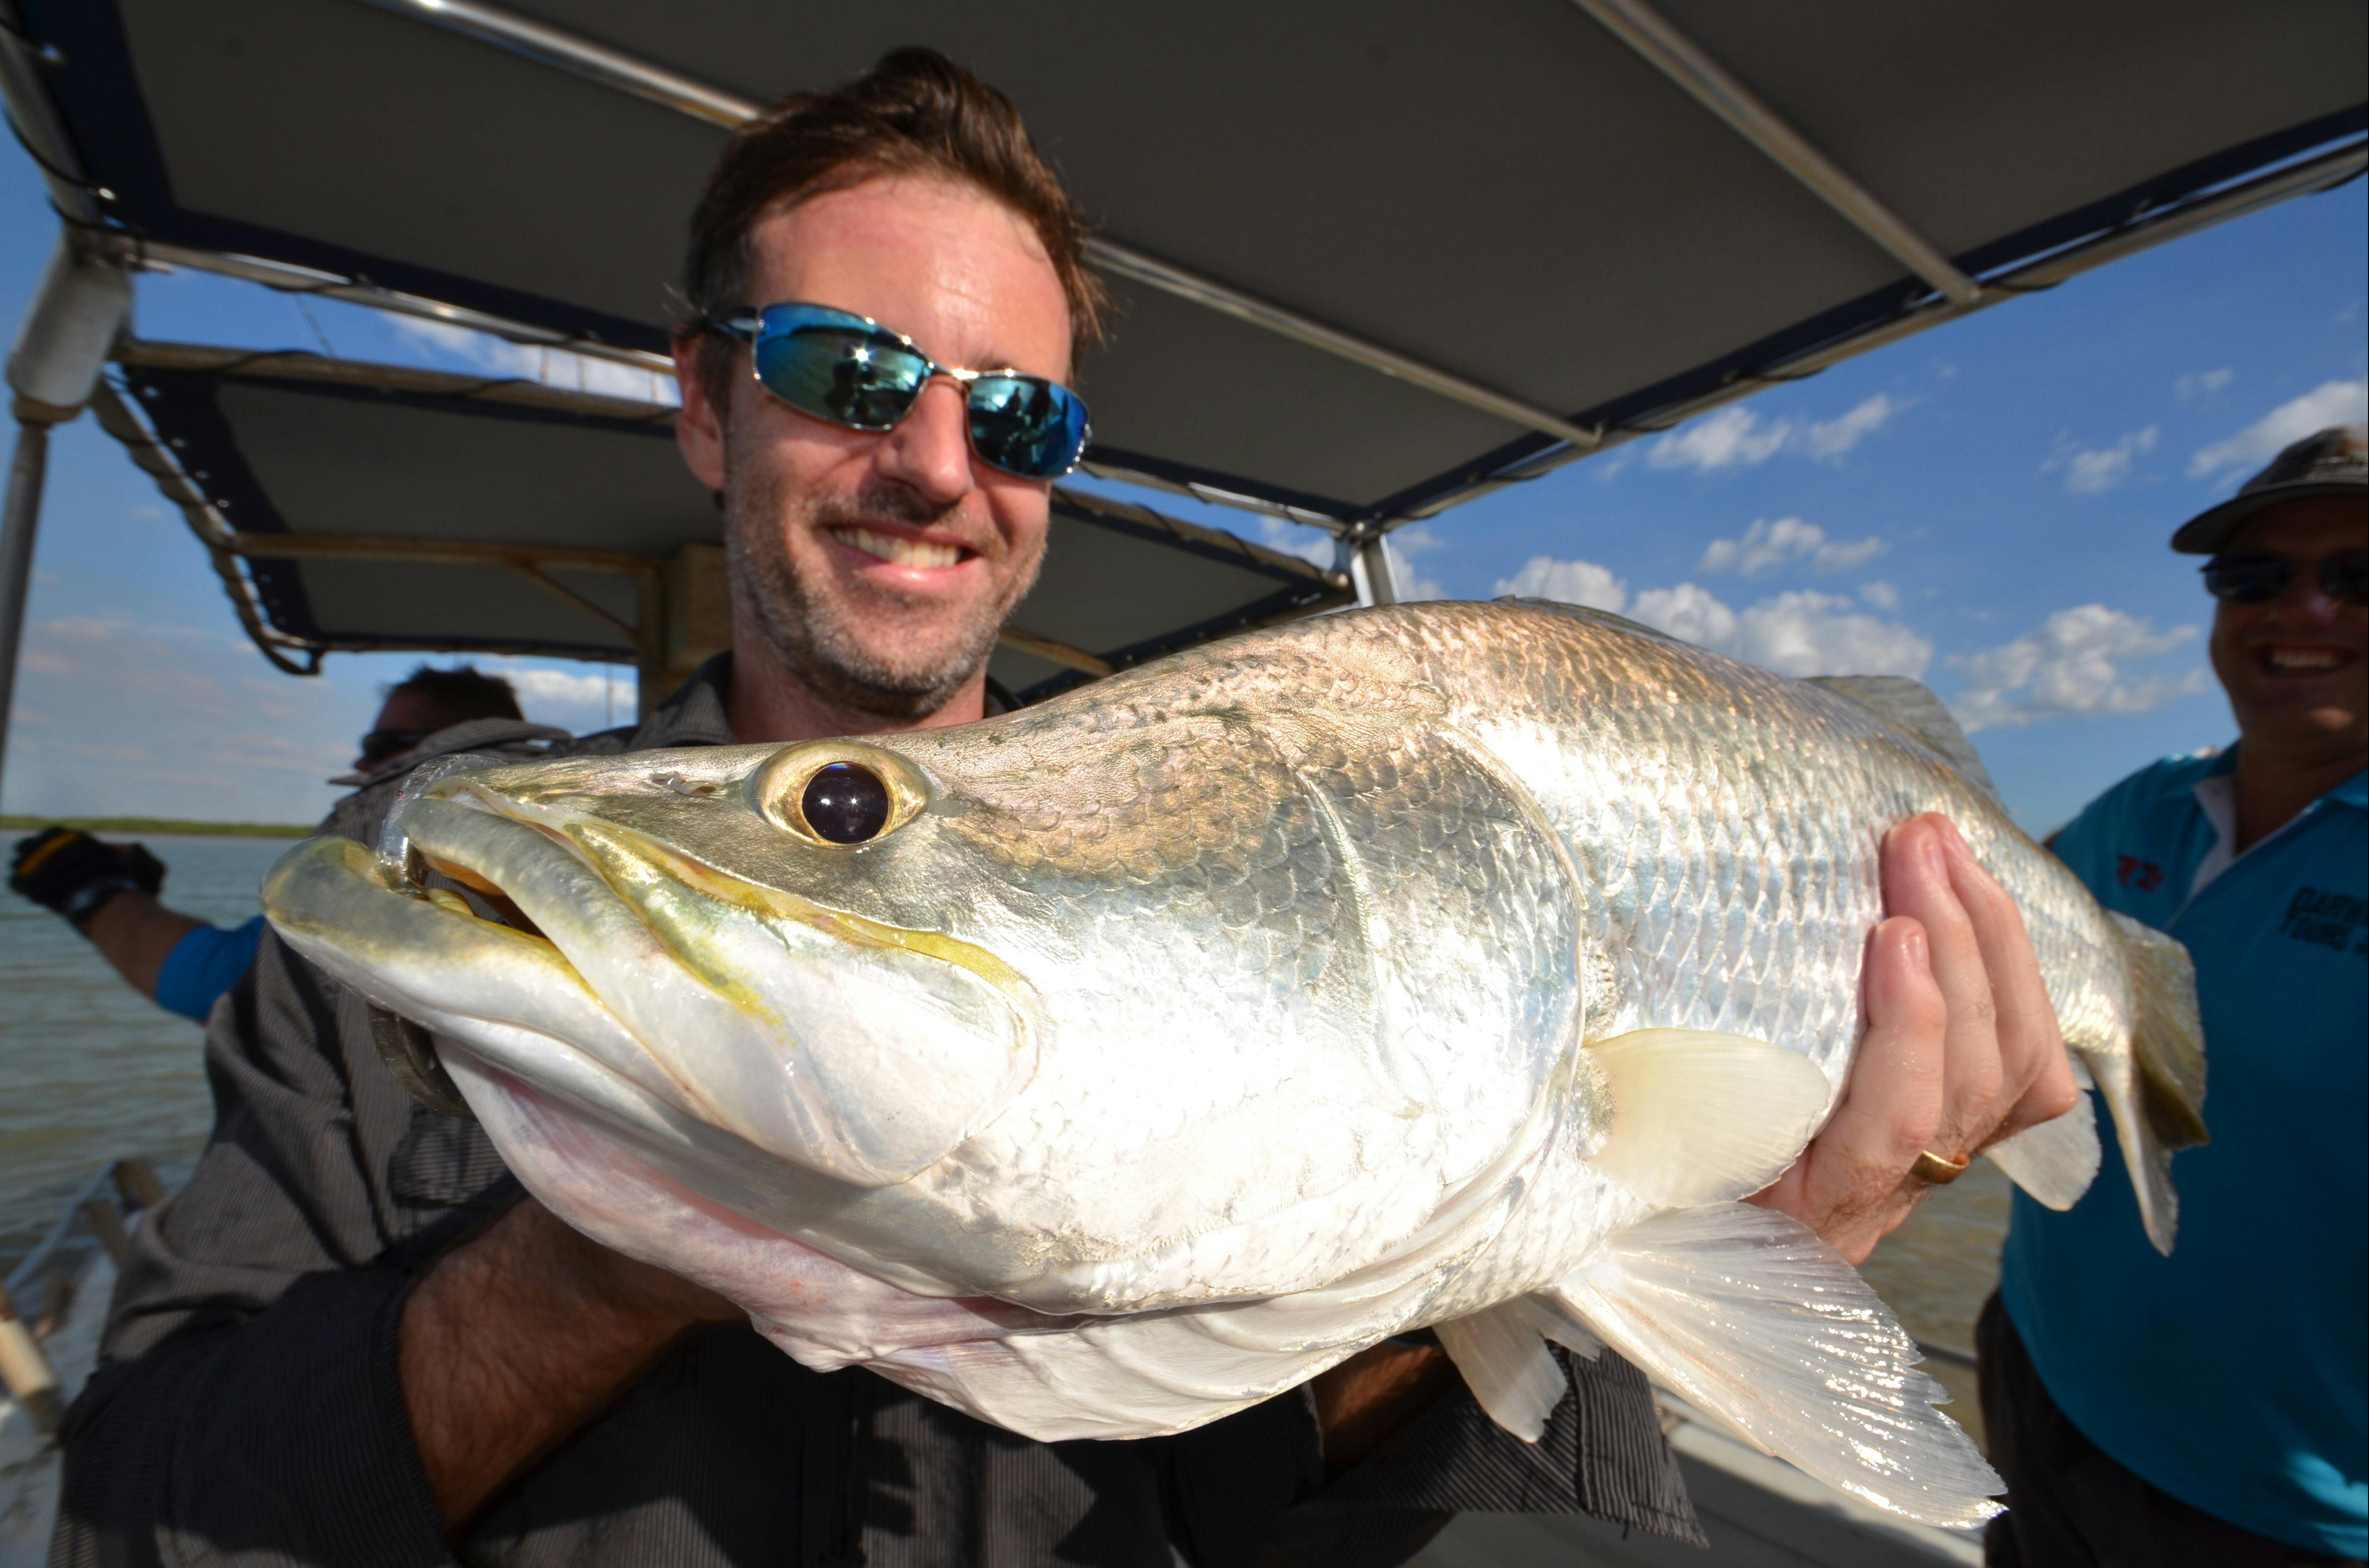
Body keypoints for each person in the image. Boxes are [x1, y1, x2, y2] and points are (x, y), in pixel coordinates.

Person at [53, 51, 2078, 1567]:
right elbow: (138, 1512)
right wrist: (612, 1255)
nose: (936, 462)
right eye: (848, 370)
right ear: (703, 400)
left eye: (1014, 414)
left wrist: (1615, 1262)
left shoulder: (1246, 874)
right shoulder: (453, 917)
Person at [1981, 424, 2367, 1567]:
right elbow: (1974, 942)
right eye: (2256, 578)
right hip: (2039, 1382)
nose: (2301, 610)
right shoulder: (2138, 807)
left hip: (2276, 1511)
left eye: (2358, 577)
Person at [7, 664, 539, 1022]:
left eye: (379, 746)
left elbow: (226, 988)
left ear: (446, 743)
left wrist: (92, 893)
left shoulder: (408, 806)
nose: (361, 766)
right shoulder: (545, 803)